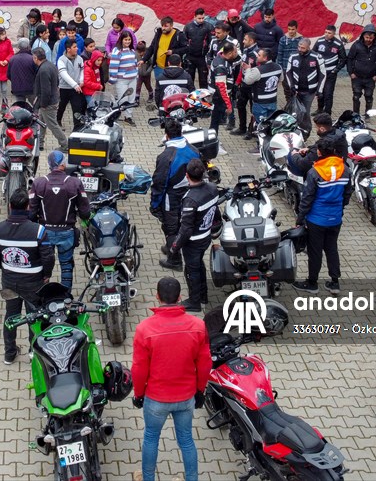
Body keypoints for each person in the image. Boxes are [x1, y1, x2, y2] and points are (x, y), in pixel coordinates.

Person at [131, 276, 211, 481]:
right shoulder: (198, 326)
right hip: (185, 397)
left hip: (156, 399)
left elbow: (139, 368)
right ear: (180, 297)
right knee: (186, 440)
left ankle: (148, 478)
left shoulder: (144, 329)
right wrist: (200, 391)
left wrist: (139, 394)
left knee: (151, 438)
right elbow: (204, 363)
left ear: (157, 297)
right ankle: (191, 478)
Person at [0, 188, 54, 365]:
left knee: (11, 316)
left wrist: (5, 269)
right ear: (28, 207)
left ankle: (9, 354)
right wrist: (46, 275)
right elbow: (47, 257)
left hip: (10, 282)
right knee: (34, 316)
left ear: (10, 206)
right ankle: (34, 352)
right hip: (34, 284)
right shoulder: (38, 231)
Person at [293, 137, 353, 295]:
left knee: (315, 251)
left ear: (319, 152)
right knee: (332, 248)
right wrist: (340, 208)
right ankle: (334, 282)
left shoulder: (315, 172)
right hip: (336, 218)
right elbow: (348, 193)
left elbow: (307, 199)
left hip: (316, 219)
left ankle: (312, 283)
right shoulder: (345, 168)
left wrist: (299, 219)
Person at [30, 150, 91, 290]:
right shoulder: (75, 183)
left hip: (45, 233)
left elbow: (32, 213)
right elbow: (85, 213)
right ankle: (66, 301)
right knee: (67, 267)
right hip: (67, 232)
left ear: (49, 164)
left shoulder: (39, 183)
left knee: (44, 268)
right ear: (63, 164)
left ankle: (43, 300)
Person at [169, 159, 221, 312]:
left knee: (192, 271)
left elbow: (186, 229)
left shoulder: (190, 200)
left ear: (187, 175)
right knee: (199, 265)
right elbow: (215, 210)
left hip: (193, 241)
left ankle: (194, 302)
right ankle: (203, 295)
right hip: (206, 237)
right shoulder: (212, 188)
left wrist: (174, 247)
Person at [153, 119, 201, 268]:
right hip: (190, 194)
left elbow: (159, 184)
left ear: (167, 136)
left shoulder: (165, 157)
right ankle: (172, 248)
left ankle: (174, 260)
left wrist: (154, 205)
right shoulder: (194, 149)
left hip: (171, 197)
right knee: (182, 224)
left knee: (170, 228)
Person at [31, 48, 67, 151]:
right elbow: (56, 82)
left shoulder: (43, 70)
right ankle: (40, 143)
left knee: (52, 125)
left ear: (36, 58)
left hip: (48, 103)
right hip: (52, 99)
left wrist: (43, 104)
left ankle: (65, 145)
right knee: (41, 122)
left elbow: (45, 90)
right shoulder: (51, 65)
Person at [207, 21, 240, 131]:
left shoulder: (232, 44)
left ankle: (229, 122)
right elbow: (221, 86)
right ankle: (213, 139)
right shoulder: (221, 65)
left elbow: (239, 59)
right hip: (219, 90)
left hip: (226, 82)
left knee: (217, 117)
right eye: (215, 32)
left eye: (219, 33)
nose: (216, 35)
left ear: (226, 32)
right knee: (216, 117)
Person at [346, 23, 376, 114]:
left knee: (368, 96)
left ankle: (368, 114)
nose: (368, 40)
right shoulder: (356, 45)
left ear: (374, 37)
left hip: (371, 77)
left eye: (371, 38)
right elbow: (350, 58)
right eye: (367, 37)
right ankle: (356, 114)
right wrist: (350, 72)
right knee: (356, 96)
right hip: (357, 76)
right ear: (363, 36)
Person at [313, 24, 348, 115]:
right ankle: (319, 109)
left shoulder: (338, 44)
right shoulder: (319, 41)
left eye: (329, 33)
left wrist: (335, 70)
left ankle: (327, 112)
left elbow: (343, 59)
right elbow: (313, 55)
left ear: (334, 34)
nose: (327, 34)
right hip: (320, 72)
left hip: (330, 74)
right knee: (320, 92)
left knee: (328, 93)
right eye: (326, 32)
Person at [285, 38, 324, 116]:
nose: (300, 49)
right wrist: (291, 86)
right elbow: (288, 72)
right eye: (299, 47)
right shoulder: (293, 56)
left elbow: (323, 74)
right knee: (295, 112)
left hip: (310, 91)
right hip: (296, 90)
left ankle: (306, 128)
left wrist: (319, 90)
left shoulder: (316, 57)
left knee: (305, 112)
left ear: (308, 47)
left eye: (303, 48)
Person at [108, 30, 139, 125]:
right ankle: (112, 114)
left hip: (132, 79)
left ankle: (128, 117)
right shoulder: (117, 51)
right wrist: (112, 79)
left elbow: (134, 63)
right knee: (122, 100)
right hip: (121, 80)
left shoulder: (132, 50)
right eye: (125, 39)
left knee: (131, 99)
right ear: (121, 40)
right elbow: (113, 67)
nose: (127, 41)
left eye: (129, 39)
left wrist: (136, 74)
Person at [144, 17, 187, 81]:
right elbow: (152, 47)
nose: (163, 28)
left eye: (166, 26)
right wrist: (144, 59)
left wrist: (173, 52)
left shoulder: (179, 35)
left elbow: (186, 48)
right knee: (160, 87)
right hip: (158, 67)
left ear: (171, 26)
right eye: (162, 26)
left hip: (172, 69)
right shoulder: (158, 33)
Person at [233, 31, 259, 138]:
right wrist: (238, 81)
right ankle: (242, 127)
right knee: (240, 105)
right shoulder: (246, 50)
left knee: (253, 109)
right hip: (244, 84)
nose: (243, 41)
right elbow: (242, 67)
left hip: (253, 86)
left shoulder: (257, 54)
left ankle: (251, 130)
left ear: (251, 41)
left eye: (245, 39)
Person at [250, 47, 283, 128]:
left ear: (265, 58)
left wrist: (248, 70)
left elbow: (247, 80)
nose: (257, 56)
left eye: (259, 55)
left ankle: (261, 139)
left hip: (260, 102)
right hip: (272, 100)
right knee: (270, 122)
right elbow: (281, 79)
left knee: (260, 124)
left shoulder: (257, 70)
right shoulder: (279, 67)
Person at [57, 39, 86, 129]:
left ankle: (77, 127)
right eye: (74, 47)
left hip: (75, 89)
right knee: (62, 106)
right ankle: (58, 120)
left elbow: (82, 70)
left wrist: (81, 80)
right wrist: (75, 85)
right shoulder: (61, 60)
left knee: (77, 108)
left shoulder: (80, 58)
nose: (77, 48)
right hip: (64, 88)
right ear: (68, 49)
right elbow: (64, 74)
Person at [182, 8, 212, 88]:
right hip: (190, 56)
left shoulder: (208, 26)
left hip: (202, 57)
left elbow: (212, 42)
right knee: (189, 78)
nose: (201, 20)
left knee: (203, 80)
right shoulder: (188, 26)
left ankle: (204, 98)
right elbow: (184, 40)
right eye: (199, 18)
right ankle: (190, 97)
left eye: (203, 18)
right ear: (194, 17)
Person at [8, 38, 37, 104]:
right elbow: (36, 73)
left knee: (20, 107)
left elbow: (9, 75)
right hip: (31, 88)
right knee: (35, 106)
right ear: (28, 46)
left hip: (17, 88)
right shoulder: (32, 59)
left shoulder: (12, 59)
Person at [135, 41, 155, 109]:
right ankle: (137, 99)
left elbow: (152, 64)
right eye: (139, 52)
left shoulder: (148, 56)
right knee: (138, 86)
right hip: (139, 75)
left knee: (148, 85)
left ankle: (151, 95)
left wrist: (148, 71)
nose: (140, 54)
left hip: (146, 74)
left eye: (142, 52)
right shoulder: (136, 55)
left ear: (144, 51)